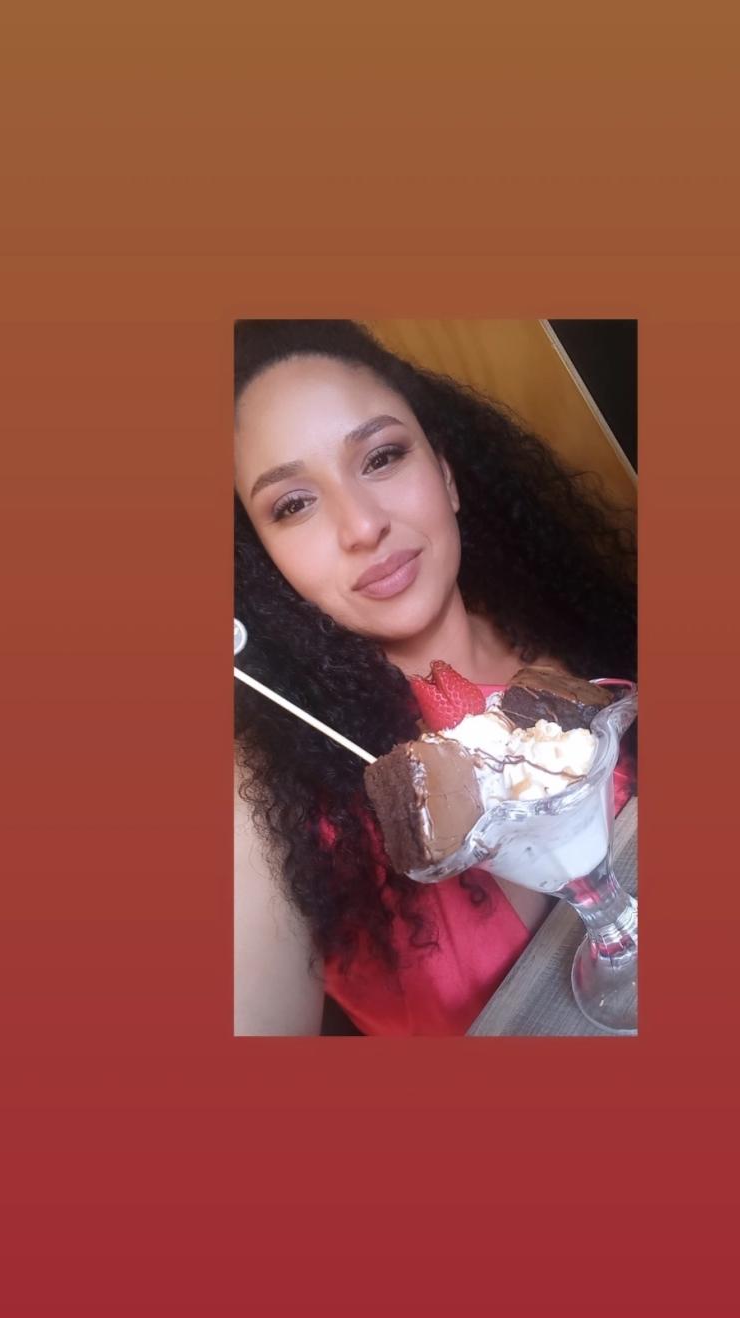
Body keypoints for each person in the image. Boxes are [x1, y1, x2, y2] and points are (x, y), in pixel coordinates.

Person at [233, 321, 637, 1037]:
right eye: (293, 505)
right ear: (269, 565)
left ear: (446, 475)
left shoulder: (578, 625)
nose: (361, 526)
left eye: (382, 456)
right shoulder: (270, 802)